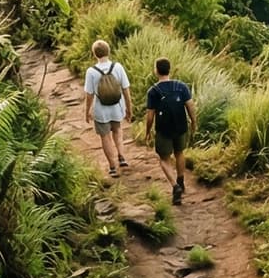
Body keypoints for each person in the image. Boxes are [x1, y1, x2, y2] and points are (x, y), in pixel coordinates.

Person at [145, 57, 196, 204]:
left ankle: (175, 186)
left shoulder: (153, 91)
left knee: (164, 159)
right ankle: (180, 181)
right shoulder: (181, 86)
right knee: (179, 153)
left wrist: (148, 131)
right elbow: (190, 106)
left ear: (156, 71)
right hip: (181, 126)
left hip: (163, 129)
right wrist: (193, 122)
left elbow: (150, 116)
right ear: (170, 69)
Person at [82, 39, 133, 178]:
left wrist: (87, 112)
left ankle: (112, 166)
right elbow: (126, 90)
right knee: (117, 131)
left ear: (94, 54)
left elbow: (89, 94)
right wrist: (129, 109)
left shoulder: (91, 72)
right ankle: (122, 157)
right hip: (117, 107)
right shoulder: (118, 67)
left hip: (101, 111)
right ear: (108, 51)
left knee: (105, 137)